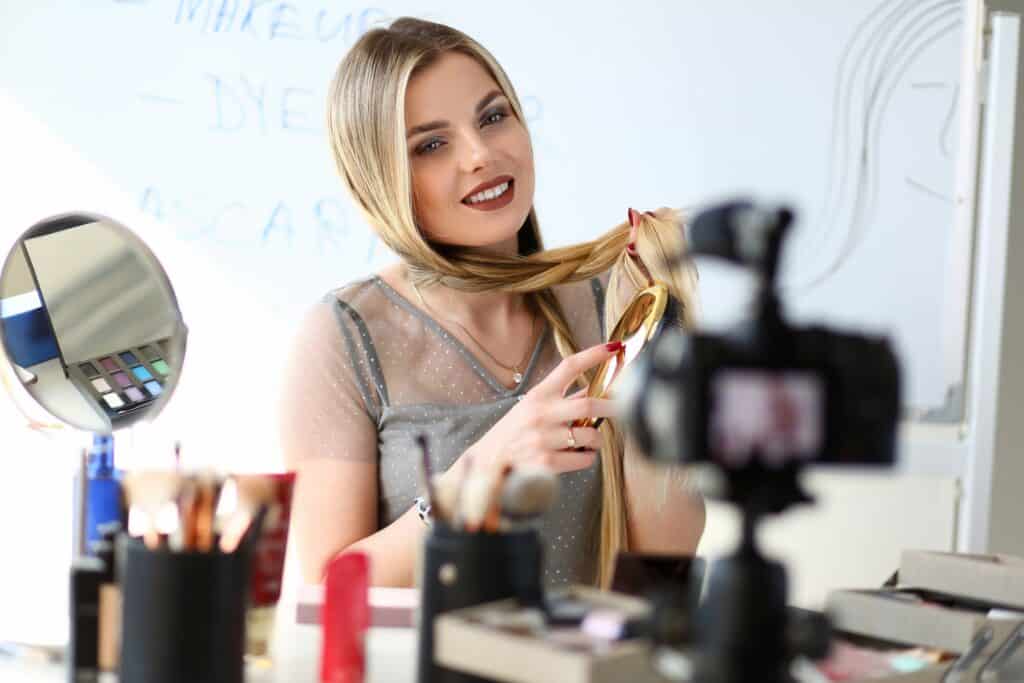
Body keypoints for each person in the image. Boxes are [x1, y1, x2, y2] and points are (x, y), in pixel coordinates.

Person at [281, 17, 705, 588]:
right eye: (431, 144)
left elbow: (661, 571)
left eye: (493, 115)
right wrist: (483, 471)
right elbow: (330, 591)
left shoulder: (612, 309)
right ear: (379, 179)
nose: (481, 154)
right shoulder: (344, 337)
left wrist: (667, 345)